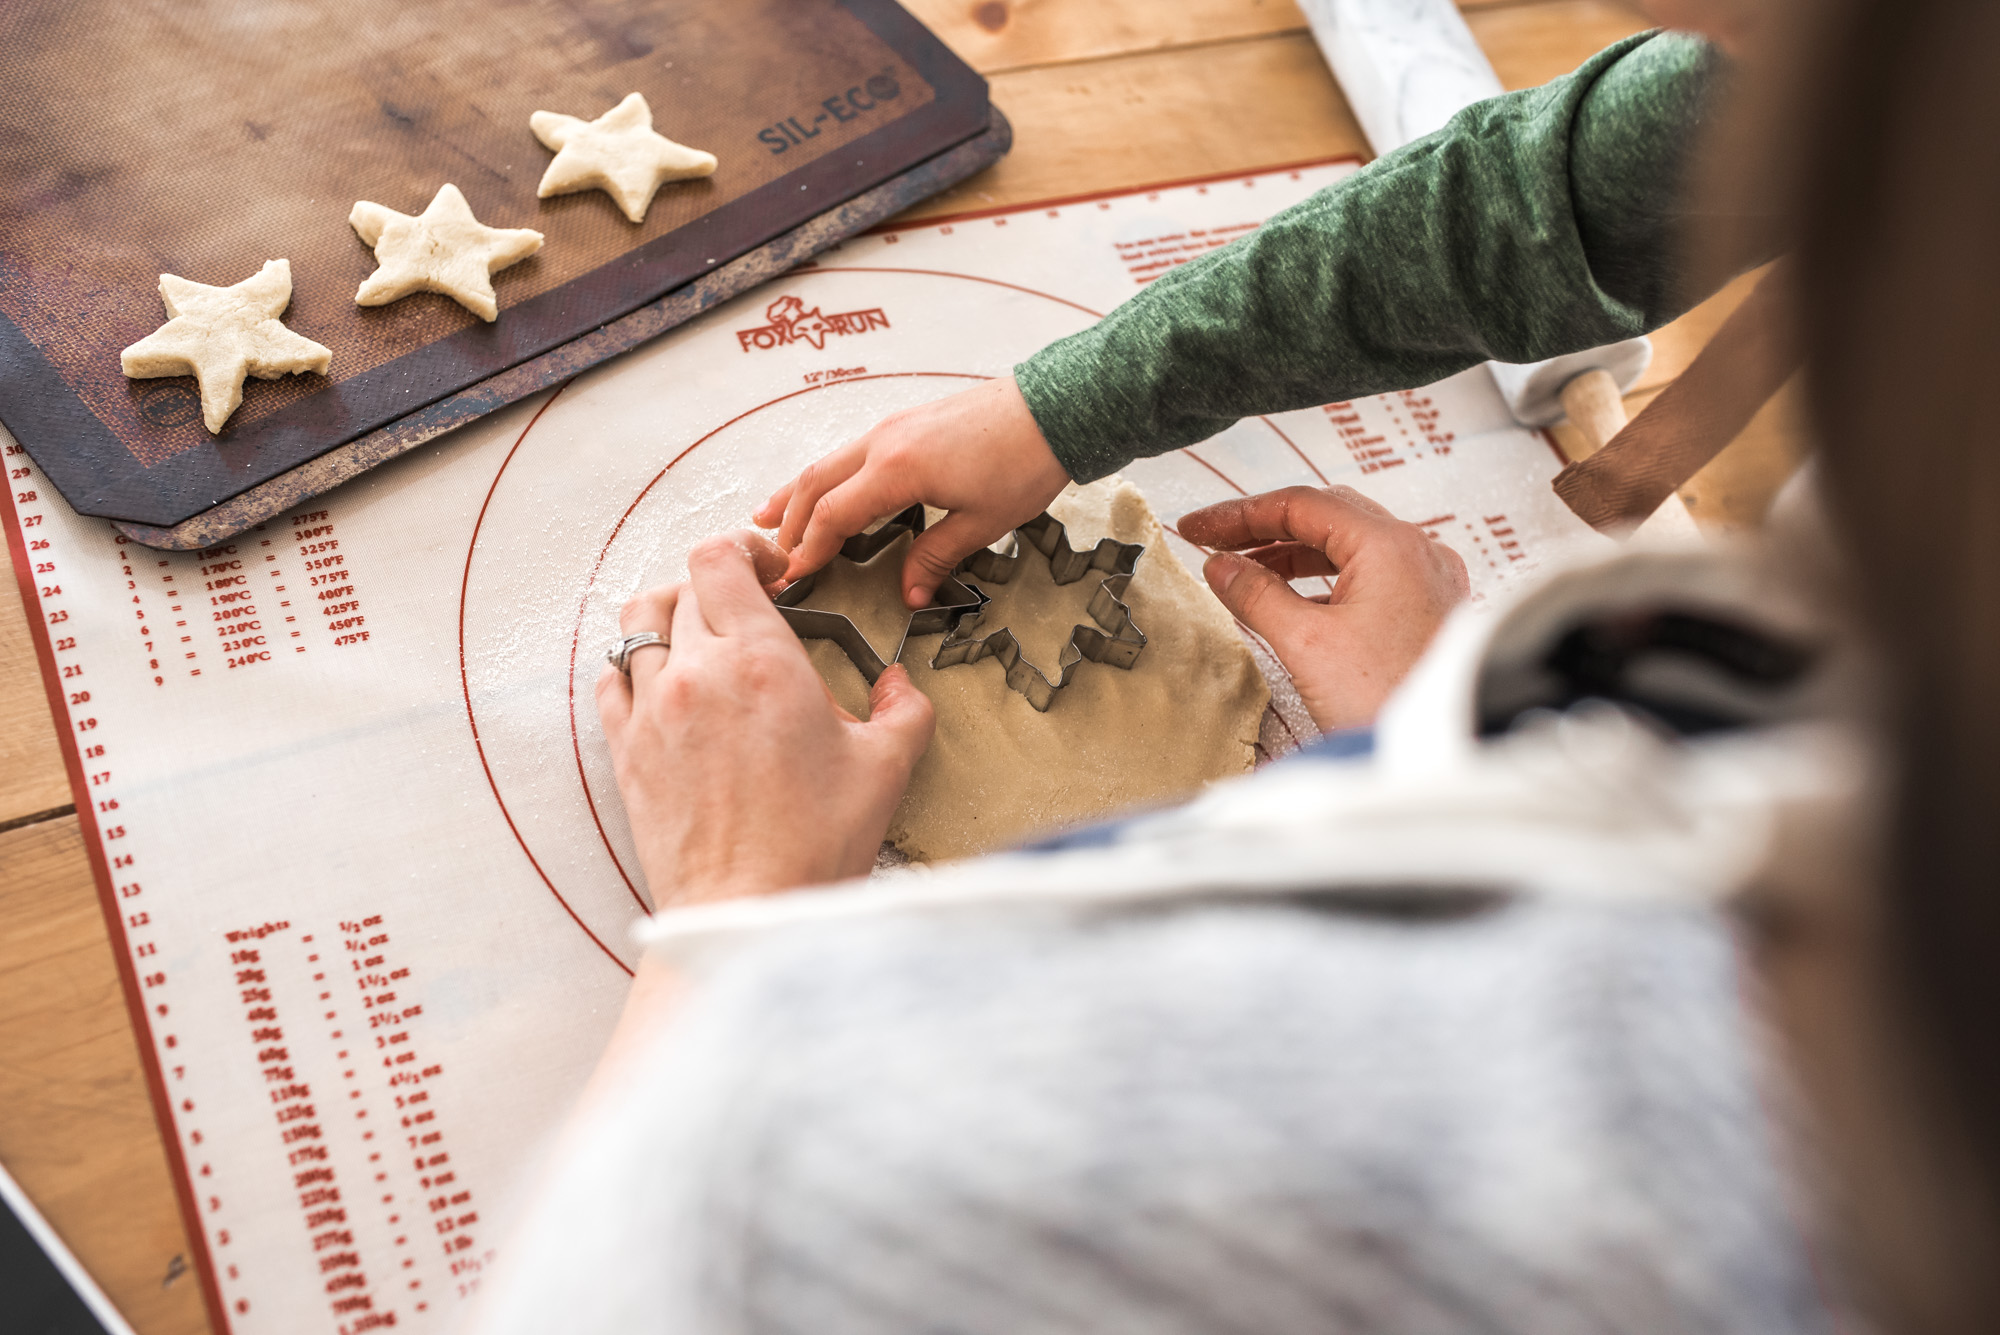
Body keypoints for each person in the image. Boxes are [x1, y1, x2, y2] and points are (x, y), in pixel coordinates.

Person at [465, 0, 2000, 1331]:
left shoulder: (859, 1162)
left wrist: (735, 921)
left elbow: (662, 1258)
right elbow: (1549, 197)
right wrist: (1069, 410)